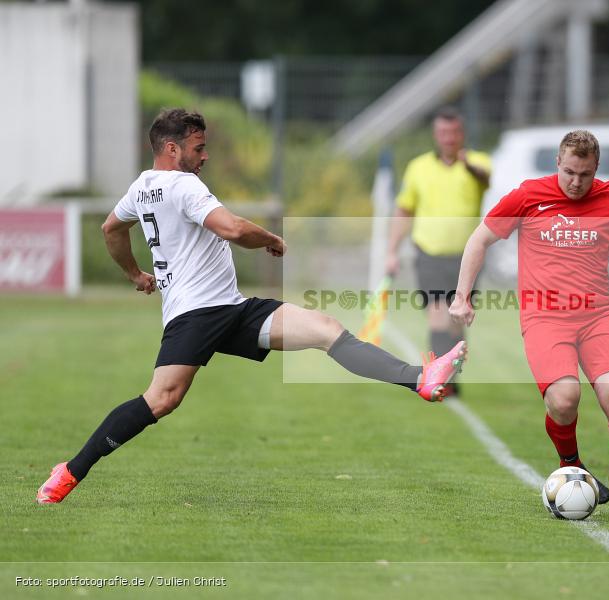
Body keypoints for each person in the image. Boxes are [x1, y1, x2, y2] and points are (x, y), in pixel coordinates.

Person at [36, 108, 467, 504]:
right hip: (196, 314)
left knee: (324, 328)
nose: (204, 156)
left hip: (231, 308)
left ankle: (420, 379)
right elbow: (233, 229)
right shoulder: (183, 185)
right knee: (162, 399)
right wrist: (271, 239)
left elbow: (112, 228)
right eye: (198, 147)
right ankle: (70, 472)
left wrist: (135, 274)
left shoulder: (141, 186)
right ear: (172, 149)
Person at [448, 130, 609, 524]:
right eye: (569, 172)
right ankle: (574, 465)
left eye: (584, 174)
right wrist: (462, 295)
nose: (576, 181)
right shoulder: (528, 195)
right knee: (564, 400)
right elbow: (480, 240)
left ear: (595, 168)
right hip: (544, 319)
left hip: (597, 316)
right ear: (558, 164)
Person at [385, 107, 491, 397]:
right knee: (437, 316)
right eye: (443, 133)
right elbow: (404, 210)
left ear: (462, 134)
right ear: (436, 135)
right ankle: (440, 380)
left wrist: (467, 166)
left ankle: (450, 376)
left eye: (454, 132)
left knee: (457, 320)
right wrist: (392, 251)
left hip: (466, 259)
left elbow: (484, 179)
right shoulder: (418, 167)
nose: (449, 138)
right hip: (428, 254)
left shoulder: (477, 162)